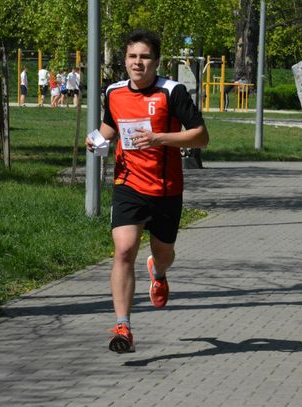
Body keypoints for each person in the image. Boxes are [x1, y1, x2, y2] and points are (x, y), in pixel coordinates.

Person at [85, 29, 209, 353]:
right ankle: (123, 326)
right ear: (124, 60)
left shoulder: (172, 92)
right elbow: (111, 125)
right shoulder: (113, 92)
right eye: (132, 57)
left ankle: (159, 271)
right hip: (128, 184)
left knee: (163, 252)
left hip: (166, 189)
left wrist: (159, 138)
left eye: (144, 57)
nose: (137, 63)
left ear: (156, 61)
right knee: (124, 250)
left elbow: (200, 136)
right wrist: (98, 138)